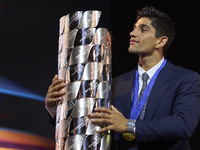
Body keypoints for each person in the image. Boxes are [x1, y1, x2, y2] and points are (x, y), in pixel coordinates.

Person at [45, 6, 200, 150]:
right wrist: (54, 108)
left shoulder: (185, 79)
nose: (132, 33)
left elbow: (183, 125)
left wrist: (129, 125)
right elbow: (87, 125)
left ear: (161, 41)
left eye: (143, 29)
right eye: (134, 28)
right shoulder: (114, 83)